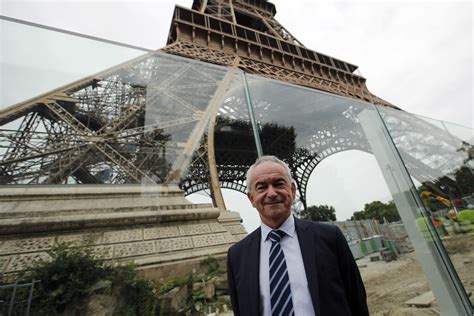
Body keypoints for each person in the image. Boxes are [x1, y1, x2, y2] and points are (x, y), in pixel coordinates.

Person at [227, 155, 369, 316]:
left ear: (292, 190)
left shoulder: (330, 238)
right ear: (251, 198)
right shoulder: (237, 256)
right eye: (261, 187)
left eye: (279, 184)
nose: (272, 193)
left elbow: (356, 300)